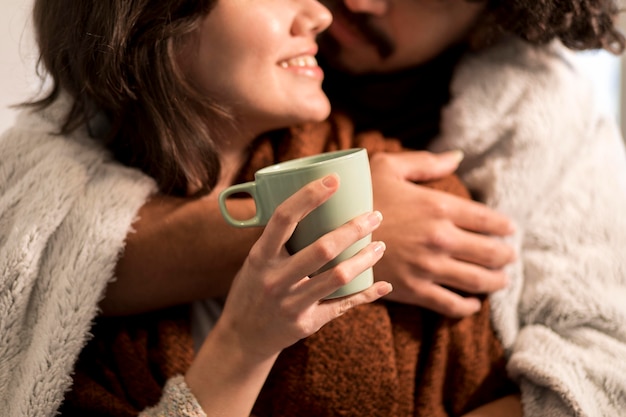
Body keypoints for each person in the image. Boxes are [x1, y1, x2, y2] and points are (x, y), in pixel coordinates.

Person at [96, 0, 626, 416]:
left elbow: (603, 369)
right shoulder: (149, 83)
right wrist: (332, 227)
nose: (357, 2)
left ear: (489, 21)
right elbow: (47, 261)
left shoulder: (546, 120)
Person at [0, 0, 395, 416]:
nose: (320, 15)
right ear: (151, 20)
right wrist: (243, 347)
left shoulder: (399, 179)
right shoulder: (48, 308)